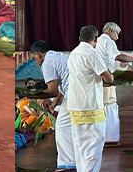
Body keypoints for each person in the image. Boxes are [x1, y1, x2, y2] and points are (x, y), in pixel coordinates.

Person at [67, 25, 115, 172]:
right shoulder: (91, 53)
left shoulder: (73, 54)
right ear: (95, 38)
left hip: (75, 106)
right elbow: (109, 79)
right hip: (91, 106)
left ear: (79, 38)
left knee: (80, 147)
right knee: (93, 147)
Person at [95, 22, 133, 147]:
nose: (117, 36)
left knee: (104, 105)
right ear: (111, 30)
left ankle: (103, 136)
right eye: (117, 33)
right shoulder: (108, 41)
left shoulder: (99, 40)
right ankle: (110, 138)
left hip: (100, 78)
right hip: (107, 78)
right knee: (109, 104)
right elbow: (118, 56)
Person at [30, 40, 75, 171]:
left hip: (74, 94)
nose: (35, 61)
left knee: (61, 126)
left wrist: (34, 96)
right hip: (75, 92)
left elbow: (53, 91)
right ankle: (74, 159)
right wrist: (54, 104)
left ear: (38, 54)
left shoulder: (47, 63)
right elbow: (62, 86)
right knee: (71, 126)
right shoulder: (58, 56)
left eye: (34, 58)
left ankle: (67, 163)